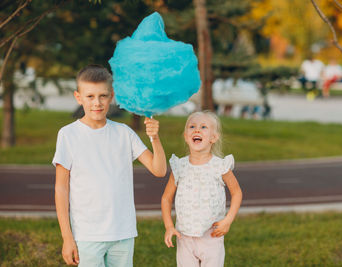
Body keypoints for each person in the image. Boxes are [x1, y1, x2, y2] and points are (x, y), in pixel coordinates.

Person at [53, 64, 167, 266]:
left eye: (103, 96)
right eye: (90, 96)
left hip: (123, 232)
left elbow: (159, 170)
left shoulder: (124, 133)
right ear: (78, 97)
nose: (97, 102)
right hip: (87, 235)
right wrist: (67, 237)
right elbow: (61, 188)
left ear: (111, 96)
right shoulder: (68, 135)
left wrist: (155, 138)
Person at [161, 111, 242, 267]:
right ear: (186, 136)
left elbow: (237, 192)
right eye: (192, 126)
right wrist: (169, 226)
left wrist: (228, 220)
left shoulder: (220, 166)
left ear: (213, 138)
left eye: (203, 127)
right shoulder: (180, 166)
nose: (197, 130)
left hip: (211, 235)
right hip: (184, 236)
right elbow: (166, 198)